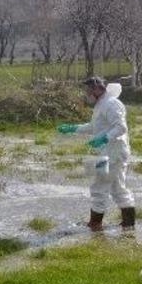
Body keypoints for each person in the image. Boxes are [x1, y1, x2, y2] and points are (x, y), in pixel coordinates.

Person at [56, 76, 135, 231]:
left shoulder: (112, 104)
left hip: (112, 154)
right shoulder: (102, 104)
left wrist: (104, 138)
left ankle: (95, 224)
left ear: (99, 88)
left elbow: (121, 127)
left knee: (99, 187)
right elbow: (94, 126)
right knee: (118, 189)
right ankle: (129, 223)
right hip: (110, 153)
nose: (87, 93)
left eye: (89, 89)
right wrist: (74, 128)